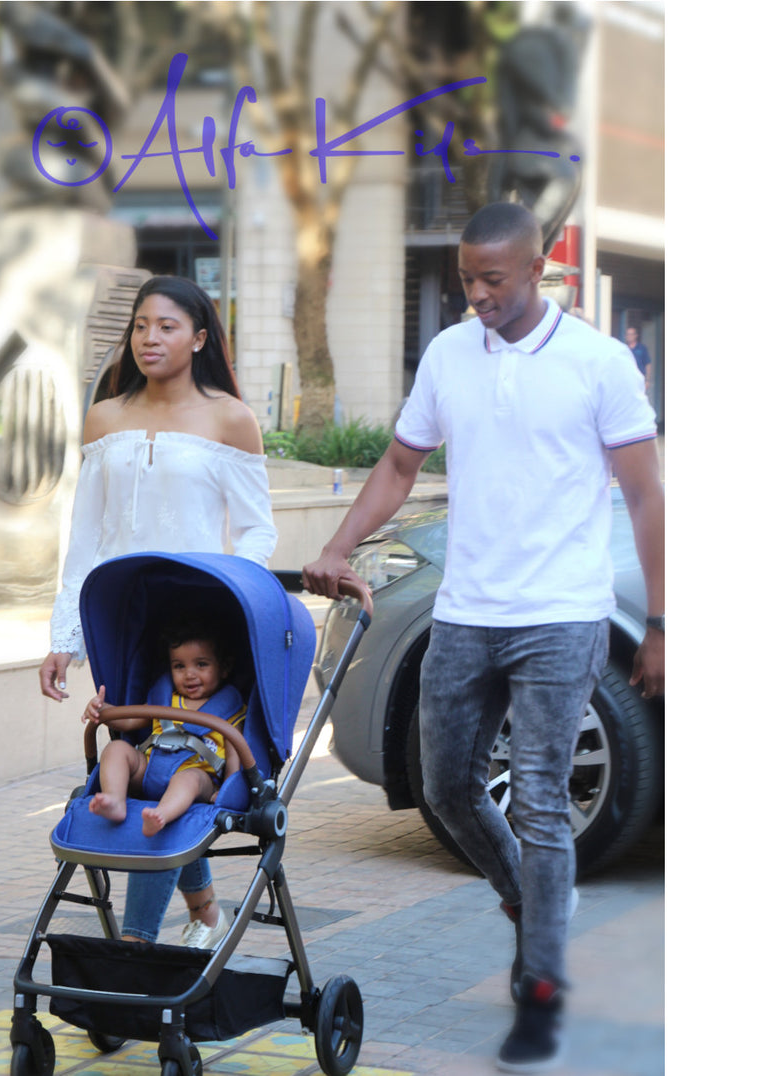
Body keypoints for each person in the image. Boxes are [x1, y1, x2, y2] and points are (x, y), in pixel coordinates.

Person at [303, 203, 664, 1073]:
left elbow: (647, 495)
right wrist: (337, 546)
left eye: (492, 279)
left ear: (538, 269)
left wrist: (660, 621)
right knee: (448, 786)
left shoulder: (599, 364)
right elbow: (400, 465)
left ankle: (539, 988)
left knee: (539, 796)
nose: (476, 295)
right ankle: (534, 902)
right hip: (466, 611)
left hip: (561, 613)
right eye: (467, 278)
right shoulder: (449, 355)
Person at [39, 275, 277, 949]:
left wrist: (233, 593)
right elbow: (85, 537)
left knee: (171, 769)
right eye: (141, 325)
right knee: (147, 759)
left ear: (198, 338)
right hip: (124, 622)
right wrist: (65, 636)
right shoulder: (105, 417)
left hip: (199, 621)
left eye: (167, 326)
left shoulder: (231, 418)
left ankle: (138, 943)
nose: (150, 338)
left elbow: (257, 530)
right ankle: (204, 912)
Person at [83, 619, 245, 838]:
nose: (189, 674)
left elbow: (235, 756)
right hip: (150, 770)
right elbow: (128, 721)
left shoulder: (228, 710)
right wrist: (101, 709)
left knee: (189, 779)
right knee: (116, 748)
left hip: (199, 779)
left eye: (201, 664)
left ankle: (161, 815)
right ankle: (115, 799)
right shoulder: (164, 699)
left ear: (224, 668)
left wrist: (227, 791)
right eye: (179, 666)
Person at [624, 324, 652, 393]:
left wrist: (647, 380)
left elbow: (648, 364)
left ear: (636, 336)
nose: (629, 336)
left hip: (639, 379)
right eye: (627, 334)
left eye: (631, 334)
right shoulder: (623, 348)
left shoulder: (642, 348)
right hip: (626, 379)